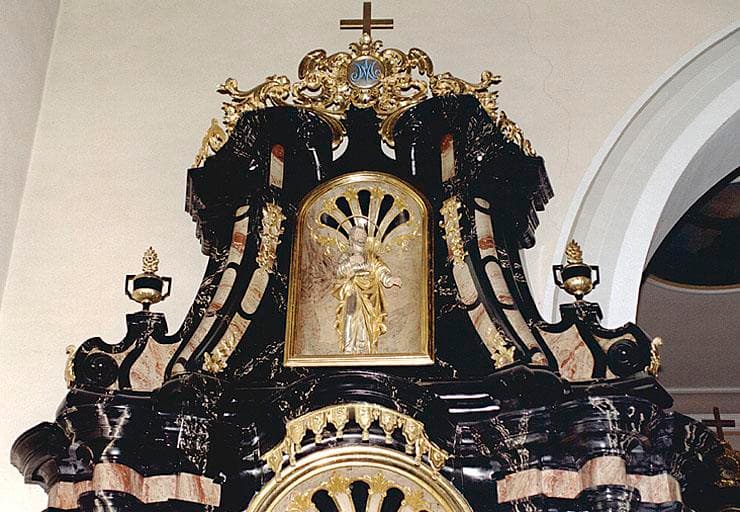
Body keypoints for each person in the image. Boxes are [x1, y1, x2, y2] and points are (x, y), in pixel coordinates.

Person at [333, 225, 401, 354]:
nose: (361, 237)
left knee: (367, 320)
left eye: (363, 235)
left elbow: (380, 269)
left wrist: (389, 279)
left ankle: (363, 349)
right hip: (353, 290)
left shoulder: (371, 257)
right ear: (351, 238)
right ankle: (349, 349)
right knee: (350, 315)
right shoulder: (346, 256)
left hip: (370, 293)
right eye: (358, 235)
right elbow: (339, 272)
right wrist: (351, 261)